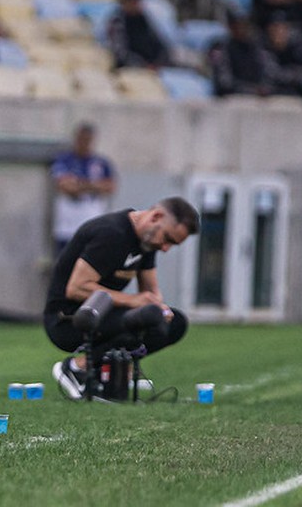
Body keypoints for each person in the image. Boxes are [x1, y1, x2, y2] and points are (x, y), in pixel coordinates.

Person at [45, 197, 200, 399]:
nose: (165, 248)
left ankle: (113, 371)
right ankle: (76, 368)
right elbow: (76, 288)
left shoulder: (147, 241)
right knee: (146, 318)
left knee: (174, 323)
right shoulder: (112, 234)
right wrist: (133, 301)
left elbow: (151, 291)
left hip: (105, 315)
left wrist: (160, 307)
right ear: (156, 217)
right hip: (69, 319)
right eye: (168, 238)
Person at [50, 123, 117, 254]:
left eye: (88, 140)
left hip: (92, 218)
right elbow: (66, 186)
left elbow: (110, 187)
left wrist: (80, 184)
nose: (84, 143)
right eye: (81, 139)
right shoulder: (65, 160)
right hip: (67, 224)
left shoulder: (101, 163)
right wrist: (95, 185)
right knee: (65, 259)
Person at [259, 17, 302, 98]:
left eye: (282, 29)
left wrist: (293, 75)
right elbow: (271, 74)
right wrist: (292, 74)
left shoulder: (299, 49)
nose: (278, 33)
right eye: (274, 30)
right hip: (275, 97)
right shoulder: (264, 48)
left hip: (299, 97)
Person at [206, 10, 270, 97]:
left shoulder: (255, 46)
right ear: (230, 27)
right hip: (229, 98)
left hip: (255, 97)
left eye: (245, 25)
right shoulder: (220, 47)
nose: (241, 29)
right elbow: (224, 83)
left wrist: (264, 88)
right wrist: (251, 90)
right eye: (237, 25)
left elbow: (266, 74)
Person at [106, 0, 170, 69]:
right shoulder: (117, 22)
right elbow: (120, 52)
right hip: (130, 66)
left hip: (152, 64)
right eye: (132, 2)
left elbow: (159, 43)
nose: (136, 5)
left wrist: (158, 61)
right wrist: (143, 65)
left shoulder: (144, 18)